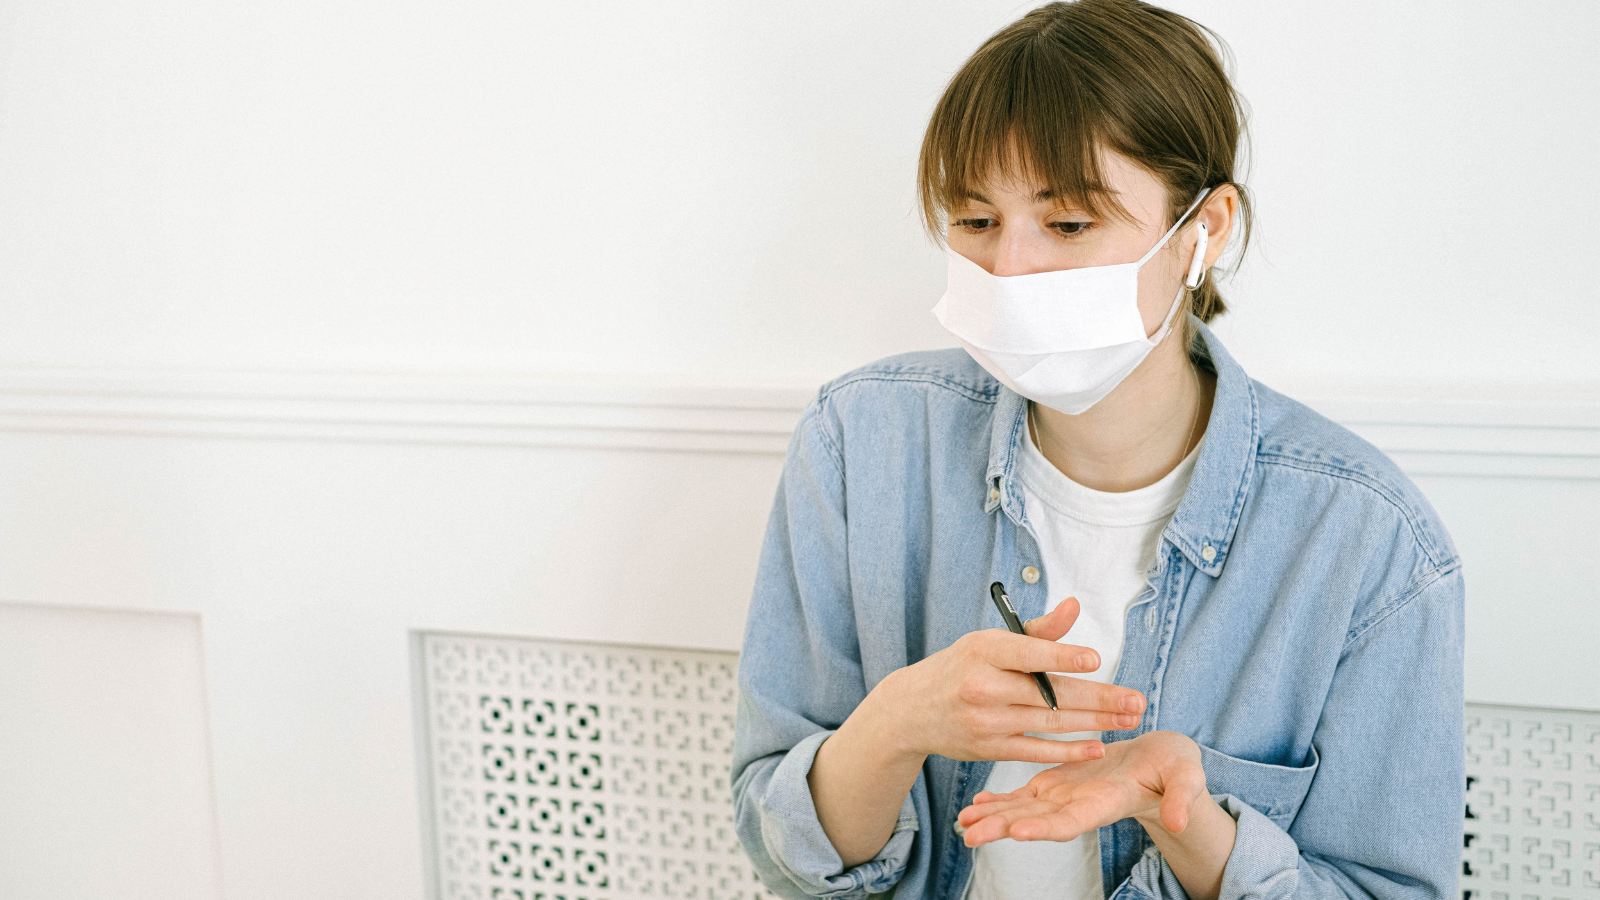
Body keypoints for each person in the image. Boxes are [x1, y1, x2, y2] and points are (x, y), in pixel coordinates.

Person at [730, 2, 1464, 900]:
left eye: (1069, 225)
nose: (1011, 270)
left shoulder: (1368, 544)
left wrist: (1185, 824)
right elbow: (782, 853)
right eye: (974, 221)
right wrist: (895, 725)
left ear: (1206, 229)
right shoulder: (861, 444)